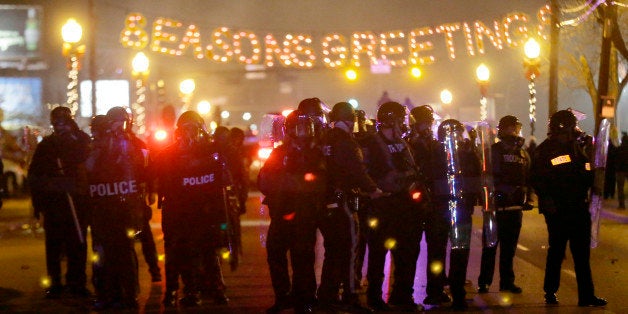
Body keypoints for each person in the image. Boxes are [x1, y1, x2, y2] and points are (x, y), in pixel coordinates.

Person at [531, 109, 607, 307]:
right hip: (557, 209)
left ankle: (586, 296)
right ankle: (550, 291)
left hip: (579, 207)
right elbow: (537, 179)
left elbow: (587, 174)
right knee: (557, 251)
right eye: (569, 128)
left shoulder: (578, 149)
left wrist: (590, 159)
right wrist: (547, 200)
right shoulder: (545, 150)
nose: (572, 132)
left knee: (582, 254)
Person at [154, 111, 230, 307]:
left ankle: (216, 291)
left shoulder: (211, 152)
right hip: (178, 212)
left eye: (193, 129)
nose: (189, 134)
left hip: (204, 211)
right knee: (177, 253)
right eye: (185, 129)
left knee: (208, 252)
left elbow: (223, 180)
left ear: (201, 130)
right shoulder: (168, 154)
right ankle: (178, 292)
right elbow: (159, 180)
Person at [317, 102, 383, 312]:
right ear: (351, 119)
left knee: (332, 251)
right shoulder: (347, 141)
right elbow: (357, 170)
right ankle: (351, 296)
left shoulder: (324, 139)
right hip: (344, 202)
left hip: (324, 202)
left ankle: (327, 295)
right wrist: (373, 189)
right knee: (349, 251)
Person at [258, 110, 326, 314]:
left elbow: (320, 180)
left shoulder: (316, 153)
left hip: (305, 213)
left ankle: (303, 298)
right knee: (275, 254)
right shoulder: (279, 153)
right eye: (298, 127)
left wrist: (296, 183)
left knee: (302, 258)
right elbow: (263, 180)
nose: (302, 132)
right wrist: (282, 184)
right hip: (280, 212)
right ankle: (282, 297)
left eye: (306, 127)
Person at [361, 101, 424, 312]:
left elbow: (412, 169)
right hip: (382, 204)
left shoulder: (403, 142)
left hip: (403, 205)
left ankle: (402, 295)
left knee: (405, 253)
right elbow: (366, 173)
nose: (403, 124)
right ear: (391, 120)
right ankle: (374, 298)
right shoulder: (371, 143)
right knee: (378, 254)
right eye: (399, 119)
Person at [87, 107, 148, 310]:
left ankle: (128, 295)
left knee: (123, 252)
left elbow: (142, 169)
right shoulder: (93, 148)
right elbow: (85, 172)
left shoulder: (130, 146)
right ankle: (106, 294)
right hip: (102, 209)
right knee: (102, 254)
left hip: (123, 208)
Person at [28, 106, 91, 299]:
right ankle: (55, 282)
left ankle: (77, 281)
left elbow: (87, 154)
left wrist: (75, 133)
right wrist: (39, 204)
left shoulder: (78, 142)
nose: (61, 127)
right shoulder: (47, 145)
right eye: (57, 124)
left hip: (77, 202)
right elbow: (35, 176)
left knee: (77, 244)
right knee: (54, 245)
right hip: (54, 204)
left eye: (64, 123)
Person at [477, 115, 531, 294]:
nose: (515, 131)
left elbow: (528, 177)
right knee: (490, 247)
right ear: (504, 129)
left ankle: (507, 282)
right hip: (496, 207)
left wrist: (526, 197)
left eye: (516, 127)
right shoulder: (494, 151)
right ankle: (484, 282)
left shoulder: (522, 153)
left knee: (509, 249)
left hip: (515, 208)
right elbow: (487, 176)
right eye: (512, 127)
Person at [433, 119, 481, 310]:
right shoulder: (437, 153)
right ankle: (440, 291)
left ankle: (455, 292)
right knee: (442, 252)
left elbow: (476, 179)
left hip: (458, 209)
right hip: (444, 209)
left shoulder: (467, 155)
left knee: (458, 252)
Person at [406, 105, 451, 306]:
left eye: (429, 122)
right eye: (424, 122)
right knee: (409, 250)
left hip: (436, 202)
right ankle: (404, 292)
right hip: (414, 204)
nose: (427, 126)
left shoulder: (437, 145)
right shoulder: (406, 145)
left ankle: (435, 289)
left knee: (437, 250)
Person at [616, 132, 628, 209]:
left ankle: (622, 204)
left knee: (620, 188)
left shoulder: (619, 149)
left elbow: (616, 159)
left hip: (620, 170)